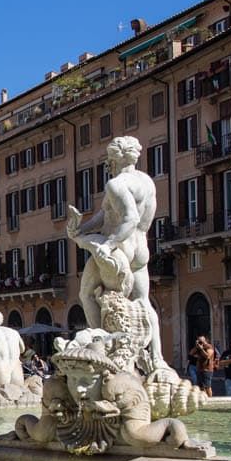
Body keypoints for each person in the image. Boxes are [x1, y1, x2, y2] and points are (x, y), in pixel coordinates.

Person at [67, 136, 165, 371]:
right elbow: (104, 215)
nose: (108, 165)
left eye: (108, 160)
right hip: (141, 249)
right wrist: (82, 227)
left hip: (121, 247)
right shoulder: (146, 181)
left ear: (114, 159)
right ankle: (157, 357)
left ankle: (101, 345)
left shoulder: (116, 184)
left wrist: (108, 244)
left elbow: (129, 218)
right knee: (143, 302)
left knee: (86, 293)